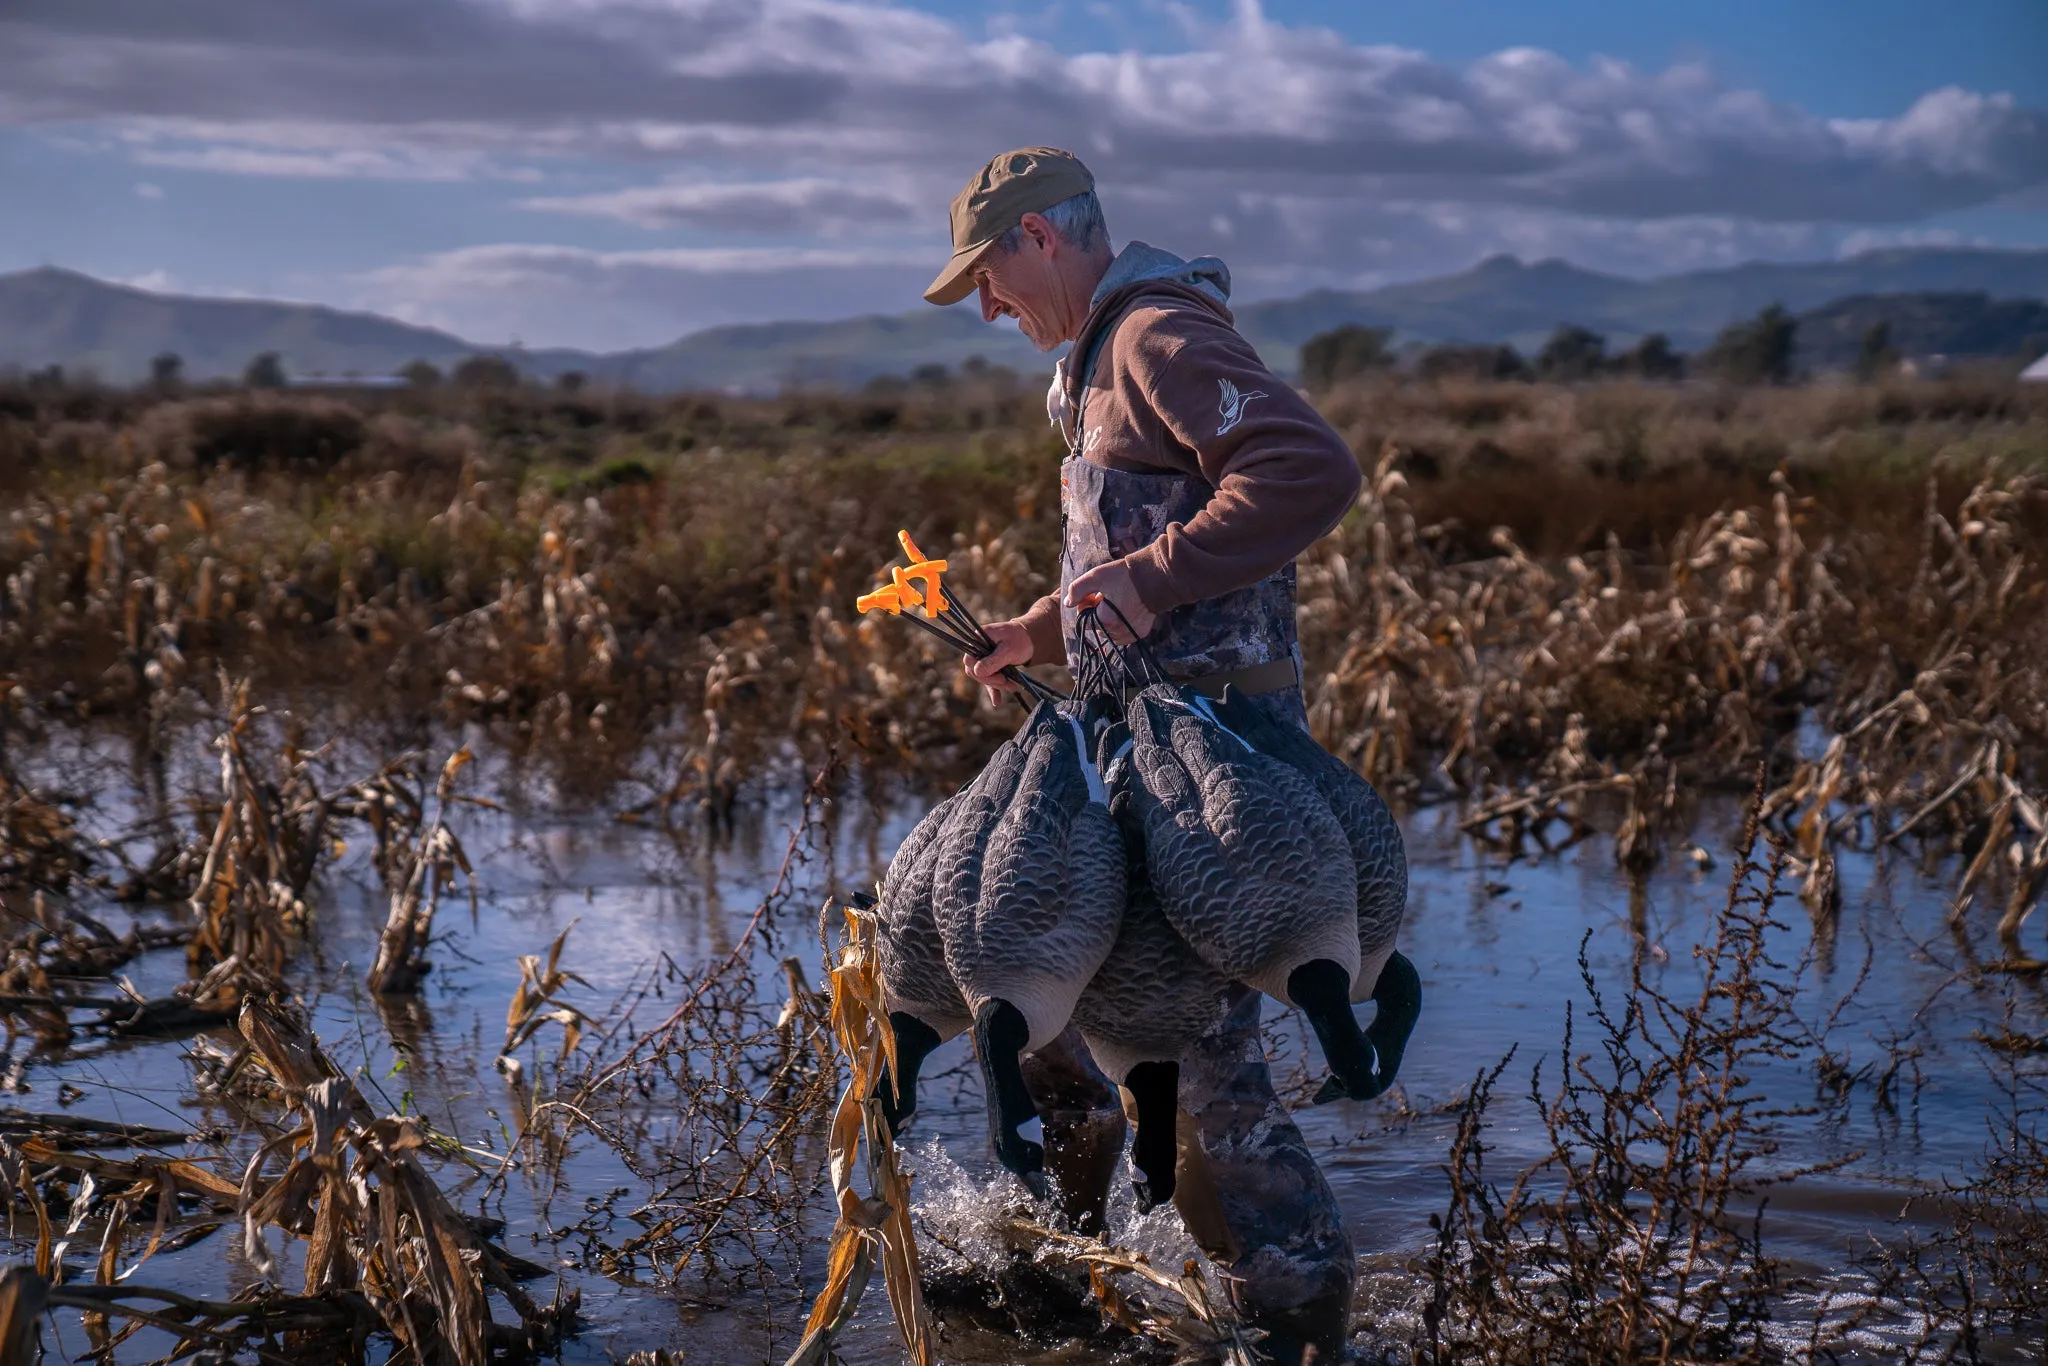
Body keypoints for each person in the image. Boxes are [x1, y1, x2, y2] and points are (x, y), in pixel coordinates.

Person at [922, 146, 1365, 1364]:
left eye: (989, 276)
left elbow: (1307, 471)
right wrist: (1041, 626)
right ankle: (1073, 1285)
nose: (986, 306)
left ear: (1041, 241)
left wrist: (1142, 582)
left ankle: (1298, 1328)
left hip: (1218, 770)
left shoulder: (1159, 334)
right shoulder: (1094, 359)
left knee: (1206, 1070)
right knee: (1060, 1033)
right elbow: (1134, 551)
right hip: (1130, 748)